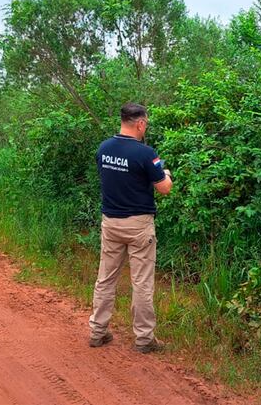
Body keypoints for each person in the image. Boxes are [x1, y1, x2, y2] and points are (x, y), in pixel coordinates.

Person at [88, 102, 173, 354]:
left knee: (106, 278)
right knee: (142, 282)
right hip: (138, 225)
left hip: (111, 222)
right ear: (141, 123)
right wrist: (165, 173)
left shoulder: (103, 149)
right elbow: (164, 188)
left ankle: (97, 331)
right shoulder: (147, 154)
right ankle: (144, 339)